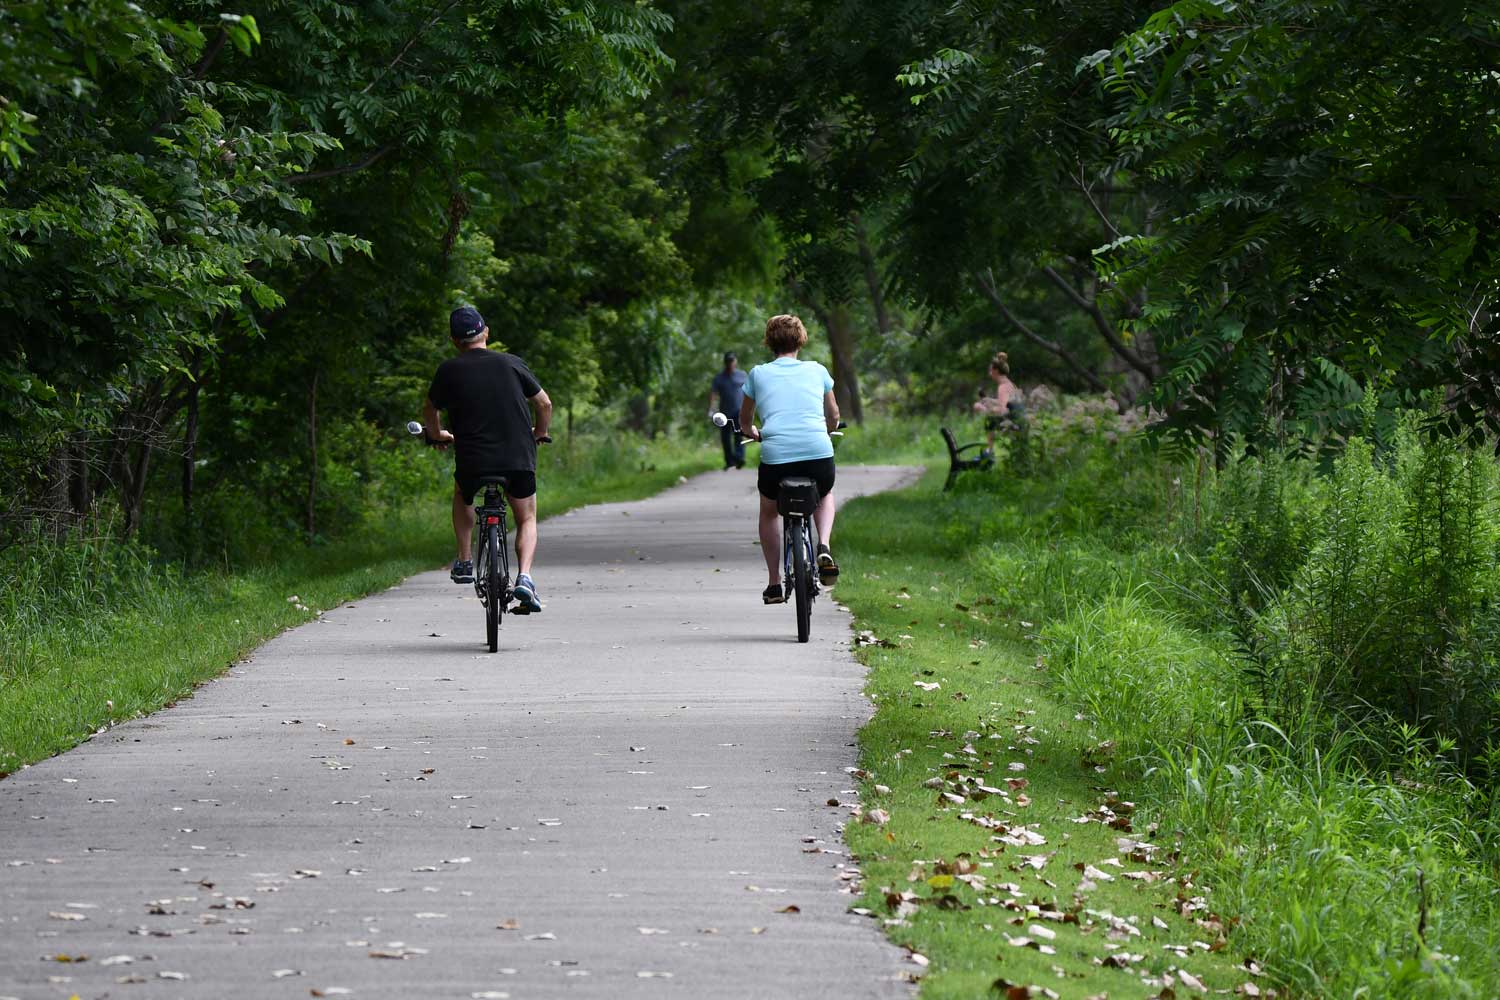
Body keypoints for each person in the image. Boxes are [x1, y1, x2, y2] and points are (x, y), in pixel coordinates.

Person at [423, 305, 552, 613]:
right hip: (517, 456)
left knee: (462, 493)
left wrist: (438, 434)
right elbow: (544, 403)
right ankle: (525, 576)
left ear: (454, 341)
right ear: (486, 332)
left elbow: (430, 410)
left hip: (474, 460)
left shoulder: (449, 370)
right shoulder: (512, 364)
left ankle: (465, 561)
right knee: (527, 517)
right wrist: (539, 432)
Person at [738, 314, 840, 604]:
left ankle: (774, 583)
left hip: (776, 457)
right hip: (817, 452)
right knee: (826, 492)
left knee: (769, 511)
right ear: (801, 340)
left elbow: (745, 420)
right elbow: (833, 415)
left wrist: (753, 432)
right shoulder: (817, 370)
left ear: (769, 342)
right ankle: (824, 544)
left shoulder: (758, 374)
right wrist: (827, 430)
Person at [972, 350, 1025, 455]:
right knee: (991, 420)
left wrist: (983, 409)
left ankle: (989, 452)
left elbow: (1002, 411)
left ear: (995, 371)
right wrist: (990, 400)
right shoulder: (1009, 384)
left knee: (989, 421)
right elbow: (1007, 402)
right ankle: (990, 450)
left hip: (1015, 424)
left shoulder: (1002, 387)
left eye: (990, 370)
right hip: (1021, 421)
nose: (989, 373)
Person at [708, 351, 748, 469]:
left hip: (739, 411)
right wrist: (711, 409)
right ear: (725, 363)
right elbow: (713, 393)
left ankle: (739, 458)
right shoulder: (719, 378)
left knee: (739, 435)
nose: (730, 363)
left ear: (735, 361)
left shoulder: (742, 375)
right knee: (725, 438)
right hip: (724, 413)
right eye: (728, 361)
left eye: (732, 361)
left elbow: (749, 391)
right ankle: (729, 461)